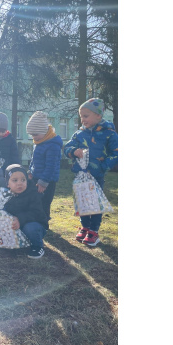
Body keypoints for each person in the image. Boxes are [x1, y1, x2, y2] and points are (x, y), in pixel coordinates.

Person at [63, 98, 118, 247]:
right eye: (81, 116)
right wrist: (74, 151)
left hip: (97, 175)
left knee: (95, 203)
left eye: (86, 116)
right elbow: (67, 148)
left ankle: (94, 231)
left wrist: (103, 166)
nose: (83, 119)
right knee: (83, 202)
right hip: (81, 175)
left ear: (98, 116)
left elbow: (116, 152)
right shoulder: (79, 134)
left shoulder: (109, 134)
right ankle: (85, 227)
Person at [0, 164, 49, 259]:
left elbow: (36, 213)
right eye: (15, 180)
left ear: (27, 180)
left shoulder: (33, 194)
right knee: (4, 224)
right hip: (17, 226)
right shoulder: (7, 196)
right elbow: (3, 211)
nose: (19, 183)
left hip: (35, 224)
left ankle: (37, 246)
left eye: (23, 180)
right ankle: (6, 242)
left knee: (30, 228)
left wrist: (19, 219)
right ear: (7, 183)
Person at [25, 111, 63, 221]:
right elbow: (34, 159)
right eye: (32, 135)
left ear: (44, 131)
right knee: (36, 201)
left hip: (47, 181)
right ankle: (36, 221)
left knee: (44, 202)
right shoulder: (39, 142)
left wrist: (44, 182)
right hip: (36, 177)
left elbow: (51, 166)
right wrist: (31, 170)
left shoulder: (52, 145)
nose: (34, 137)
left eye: (35, 134)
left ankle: (44, 223)